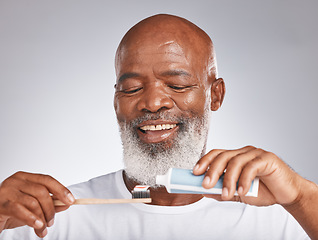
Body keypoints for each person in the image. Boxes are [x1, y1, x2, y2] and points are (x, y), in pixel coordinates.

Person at [0, 14, 317, 240]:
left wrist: (301, 196)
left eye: (177, 84)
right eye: (133, 88)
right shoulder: (49, 218)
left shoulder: (282, 217)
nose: (152, 103)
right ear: (116, 102)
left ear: (215, 95)